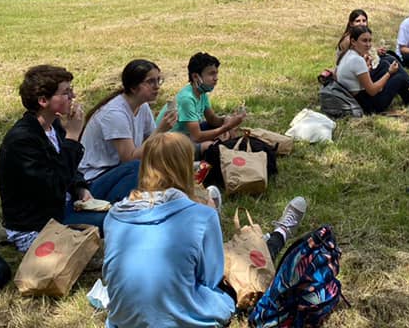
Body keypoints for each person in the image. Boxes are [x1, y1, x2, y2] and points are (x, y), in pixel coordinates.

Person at [103, 132, 308, 328]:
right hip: (183, 319)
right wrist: (208, 216)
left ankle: (228, 238)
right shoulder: (200, 216)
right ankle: (278, 235)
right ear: (185, 168)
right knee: (240, 267)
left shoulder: (114, 215)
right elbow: (212, 277)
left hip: (124, 319)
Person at [0, 64, 107, 251]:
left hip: (66, 203)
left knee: (129, 170)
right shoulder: (23, 141)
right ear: (43, 100)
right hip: (40, 223)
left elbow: (67, 169)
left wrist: (80, 187)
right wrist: (73, 136)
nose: (72, 97)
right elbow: (54, 184)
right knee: (115, 220)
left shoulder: (53, 125)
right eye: (65, 92)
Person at [78, 59, 178, 200]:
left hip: (120, 173)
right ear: (133, 87)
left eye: (158, 80)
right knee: (136, 167)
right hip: (94, 181)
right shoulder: (115, 114)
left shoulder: (142, 106)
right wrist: (161, 130)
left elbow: (154, 145)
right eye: (150, 82)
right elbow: (129, 159)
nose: (157, 86)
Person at [160, 52, 246, 156]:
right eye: (211, 74)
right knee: (209, 146)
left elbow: (212, 120)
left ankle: (233, 151)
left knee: (222, 134)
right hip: (169, 146)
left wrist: (226, 120)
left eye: (216, 73)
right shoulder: (187, 99)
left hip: (185, 136)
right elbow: (197, 136)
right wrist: (226, 127)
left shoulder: (201, 93)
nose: (216, 78)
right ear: (196, 77)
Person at [336, 25, 409, 113]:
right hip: (367, 105)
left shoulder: (348, 54)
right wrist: (389, 73)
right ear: (353, 41)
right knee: (399, 77)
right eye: (364, 41)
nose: (368, 45)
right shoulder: (357, 60)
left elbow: (356, 77)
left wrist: (367, 68)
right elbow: (372, 91)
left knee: (386, 62)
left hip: (356, 96)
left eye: (369, 41)